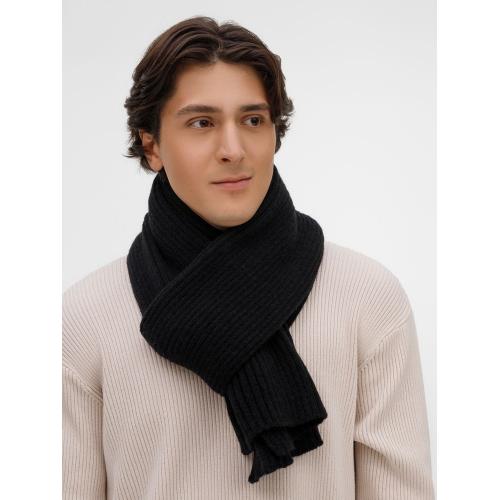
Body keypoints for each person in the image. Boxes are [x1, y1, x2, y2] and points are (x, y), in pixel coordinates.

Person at [62, 15, 435, 499]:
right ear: (151, 145)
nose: (233, 149)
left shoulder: (365, 298)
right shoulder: (86, 319)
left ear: (275, 134)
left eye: (253, 120)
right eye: (202, 123)